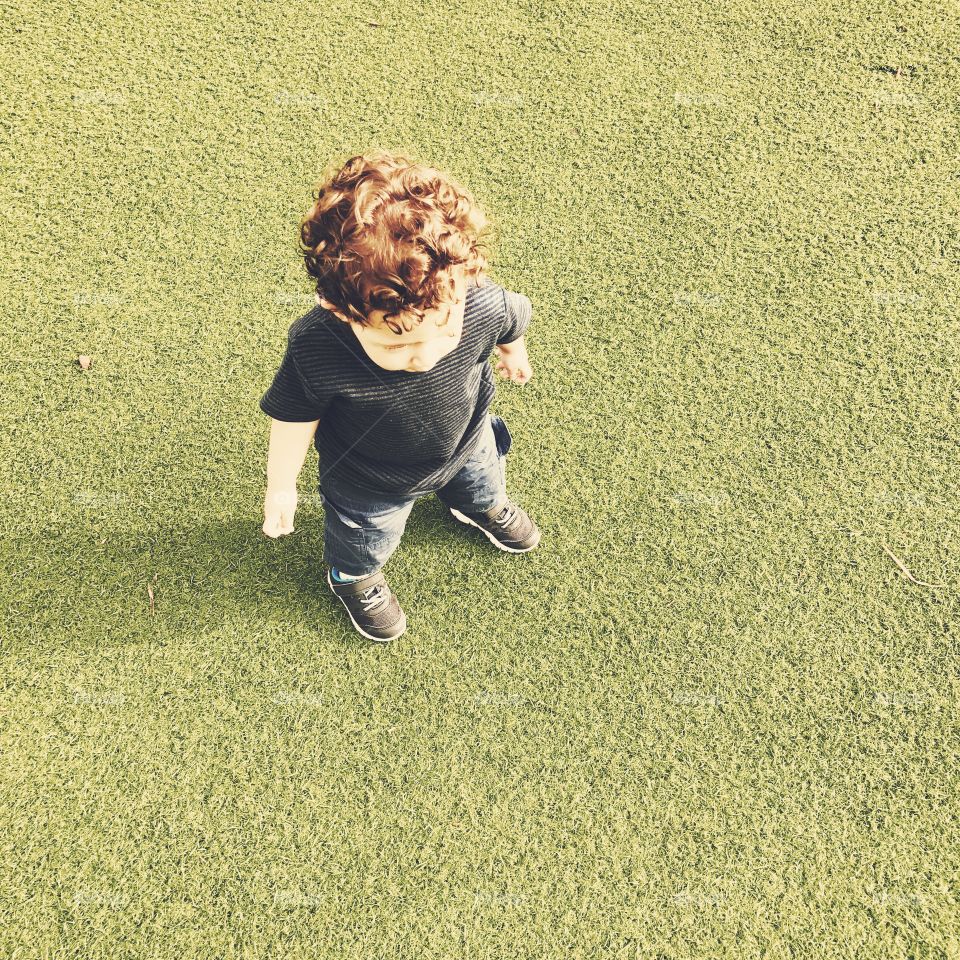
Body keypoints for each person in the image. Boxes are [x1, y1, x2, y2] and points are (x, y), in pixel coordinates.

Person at [259, 149, 540, 642]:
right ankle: (354, 577)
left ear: (464, 279)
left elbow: (513, 317)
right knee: (365, 537)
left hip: (466, 440)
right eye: (396, 343)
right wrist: (281, 484)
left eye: (443, 331)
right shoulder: (319, 344)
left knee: (483, 480)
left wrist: (513, 352)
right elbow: (294, 415)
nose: (424, 355)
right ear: (340, 311)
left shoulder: (478, 299)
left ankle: (478, 505)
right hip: (371, 477)